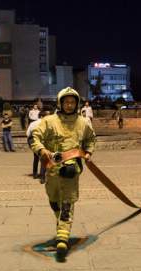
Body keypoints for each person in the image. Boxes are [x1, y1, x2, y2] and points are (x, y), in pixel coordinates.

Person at [29, 87, 96, 262]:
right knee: (53, 200)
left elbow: (90, 139)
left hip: (71, 170)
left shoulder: (83, 122)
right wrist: (42, 151)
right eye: (66, 102)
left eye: (72, 102)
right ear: (60, 103)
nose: (69, 105)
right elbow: (34, 137)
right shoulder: (48, 121)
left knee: (67, 202)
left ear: (77, 104)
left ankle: (62, 238)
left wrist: (88, 152)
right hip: (51, 169)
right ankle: (62, 226)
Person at [26, 110, 49, 183]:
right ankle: (42, 177)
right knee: (43, 158)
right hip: (41, 141)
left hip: (32, 141)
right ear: (42, 116)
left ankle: (35, 174)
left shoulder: (32, 123)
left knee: (36, 157)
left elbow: (27, 133)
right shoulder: (45, 123)